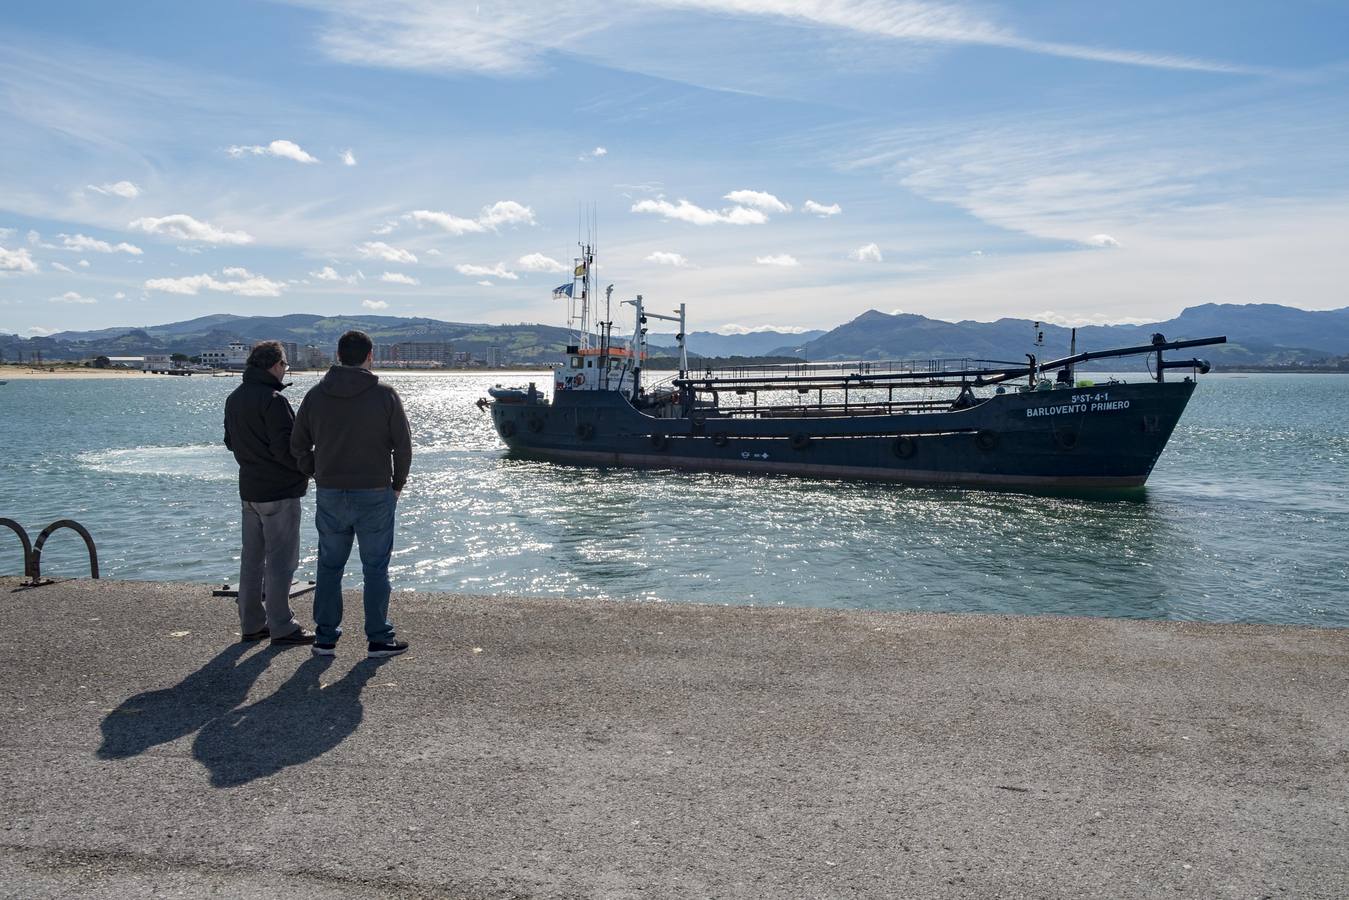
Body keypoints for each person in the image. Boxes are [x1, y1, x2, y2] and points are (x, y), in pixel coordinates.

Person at [291, 330, 412, 659]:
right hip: (375, 491)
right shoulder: (385, 395)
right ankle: (378, 638)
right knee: (375, 567)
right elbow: (402, 446)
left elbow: (297, 444)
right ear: (370, 355)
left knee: (330, 566)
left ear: (339, 355)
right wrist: (397, 484)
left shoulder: (316, 395)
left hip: (331, 491)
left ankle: (325, 639)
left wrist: (316, 470)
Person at [223, 341, 315, 646]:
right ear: (275, 365)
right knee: (281, 561)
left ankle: (251, 622)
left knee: (251, 559)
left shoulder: (235, 398)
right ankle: (282, 624)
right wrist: (308, 468)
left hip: (249, 489)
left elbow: (229, 442)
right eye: (285, 365)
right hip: (279, 491)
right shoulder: (273, 400)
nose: (285, 369)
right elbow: (285, 450)